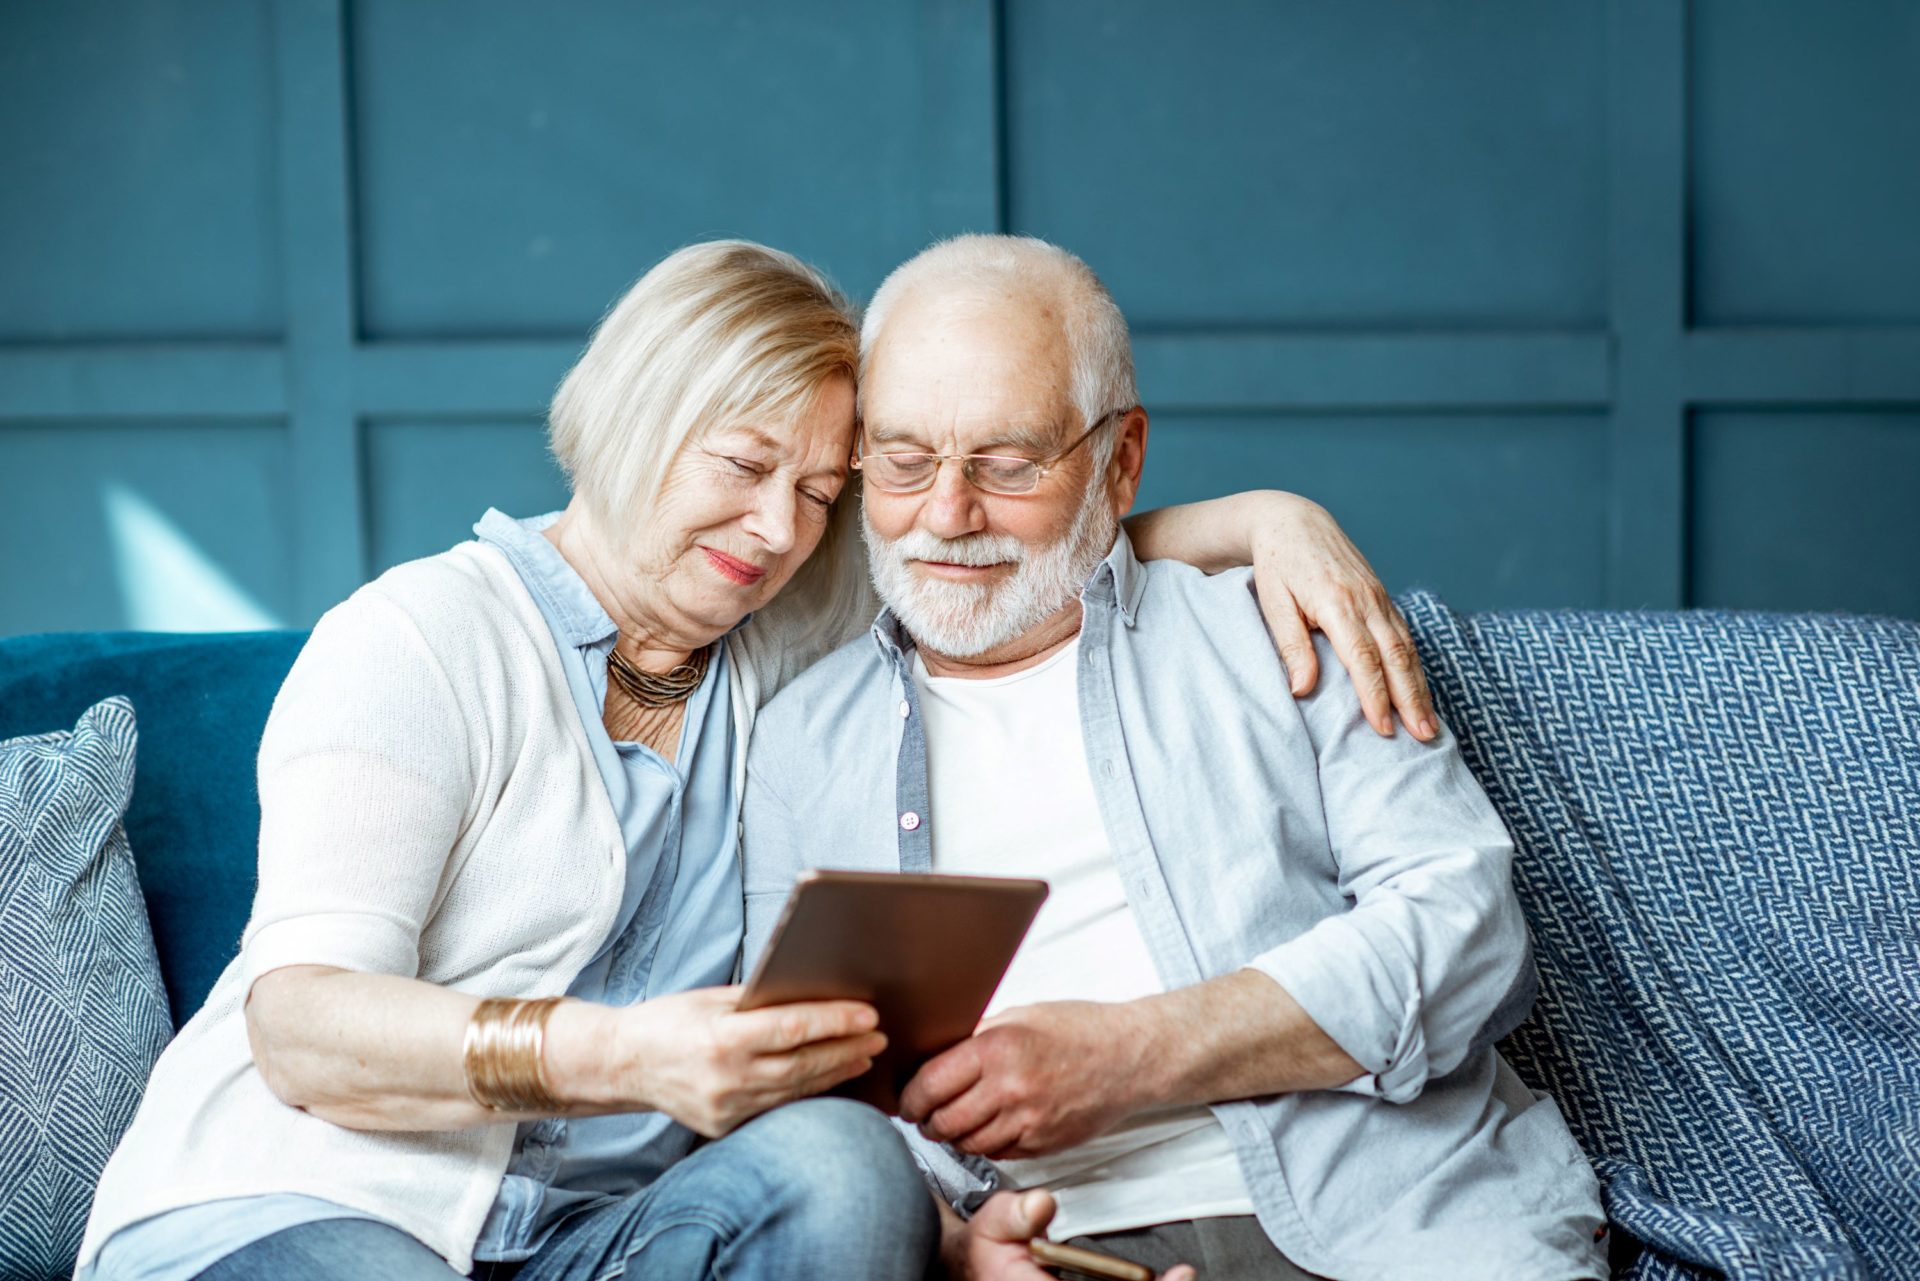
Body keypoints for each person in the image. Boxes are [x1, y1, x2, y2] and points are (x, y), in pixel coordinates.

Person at [75, 240, 1432, 1281]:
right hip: (317, 1206)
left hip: (593, 1241)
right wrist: (618, 1058)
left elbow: (1002, 548)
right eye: (742, 464)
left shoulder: (769, 640)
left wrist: (1269, 519)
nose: (781, 526)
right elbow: (302, 1025)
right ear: (634, 416)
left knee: (847, 1167)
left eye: (825, 493)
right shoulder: (423, 636)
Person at [741, 235, 1608, 1281]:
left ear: (1121, 461)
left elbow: (1466, 931)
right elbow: (793, 1088)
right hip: (1041, 1253)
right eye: (904, 458)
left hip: (1393, 1221)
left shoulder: (1281, 627)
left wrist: (1135, 1053)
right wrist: (951, 1241)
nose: (947, 515)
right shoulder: (799, 739)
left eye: (1009, 464)